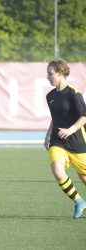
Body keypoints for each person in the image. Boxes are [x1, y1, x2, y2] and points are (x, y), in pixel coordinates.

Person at [44, 59, 86, 219]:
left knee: (83, 177)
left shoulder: (74, 93)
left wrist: (71, 129)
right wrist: (48, 135)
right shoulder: (50, 96)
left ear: (60, 73)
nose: (48, 77)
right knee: (57, 170)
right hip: (58, 141)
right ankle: (79, 200)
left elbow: (84, 116)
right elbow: (55, 117)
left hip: (77, 142)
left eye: (50, 74)